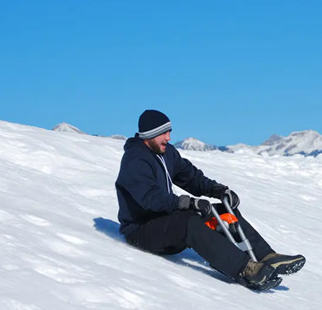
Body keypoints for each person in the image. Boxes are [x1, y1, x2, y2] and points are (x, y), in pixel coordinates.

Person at [115, 110, 305, 290]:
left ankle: (267, 257)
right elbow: (150, 199)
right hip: (142, 231)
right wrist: (185, 202)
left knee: (221, 212)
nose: (169, 138)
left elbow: (189, 176)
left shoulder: (167, 153)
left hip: (165, 221)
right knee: (190, 223)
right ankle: (245, 270)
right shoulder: (135, 160)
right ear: (150, 134)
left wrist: (217, 190)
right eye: (164, 133)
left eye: (169, 132)